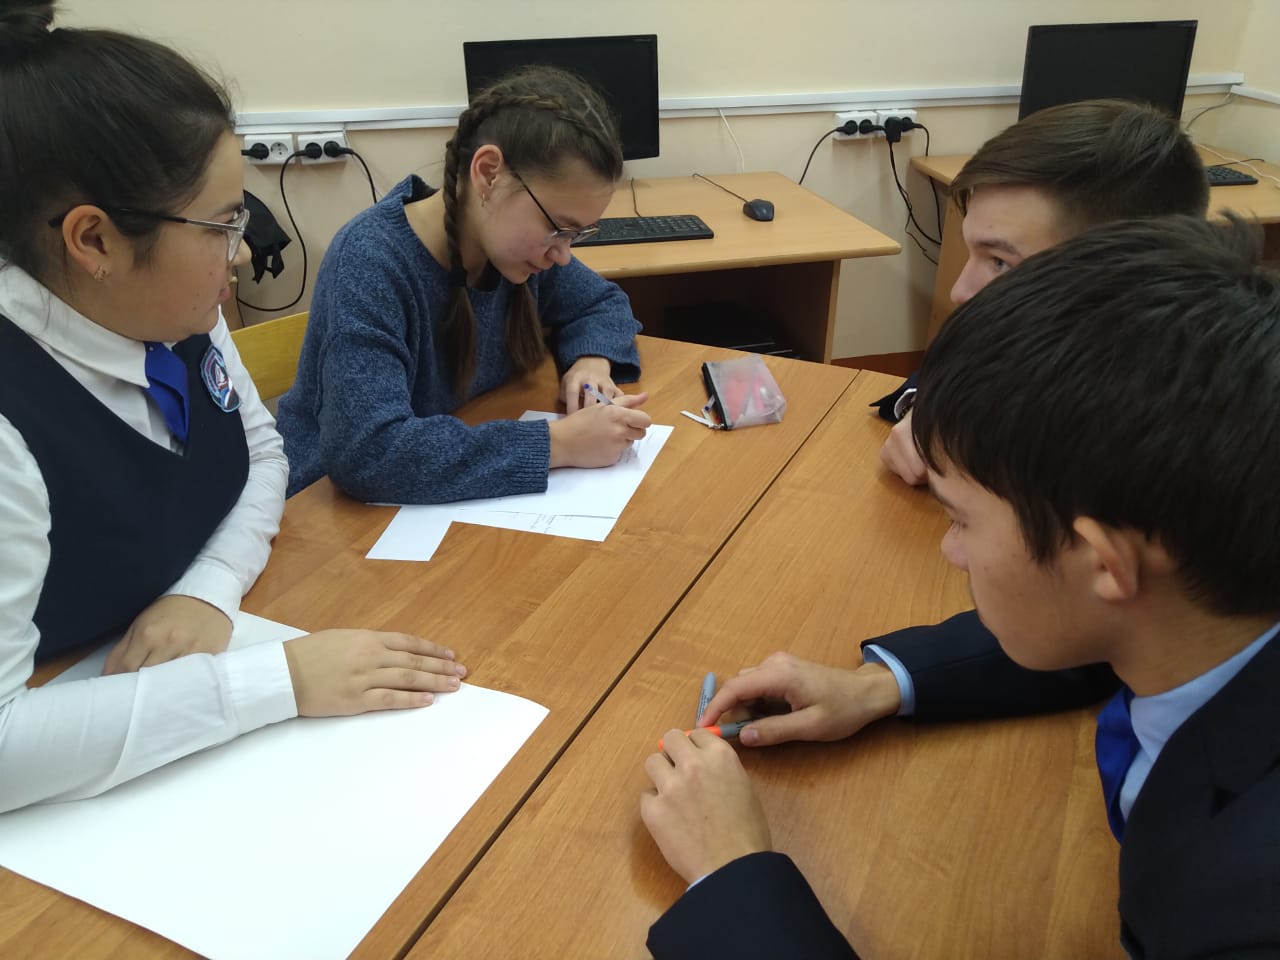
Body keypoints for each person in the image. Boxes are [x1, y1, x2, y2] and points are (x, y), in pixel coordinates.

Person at [642, 215, 1280, 959]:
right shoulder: (1206, 606)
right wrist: (879, 685)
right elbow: (1097, 628)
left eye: (961, 519)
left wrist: (730, 877)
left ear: (1105, 562)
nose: (950, 551)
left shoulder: (1249, 905)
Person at [0, 1, 466, 814]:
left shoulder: (170, 309)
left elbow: (263, 453)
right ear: (95, 240)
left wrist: (210, 586)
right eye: (220, 224)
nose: (243, 252)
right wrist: (278, 681)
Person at [277, 65, 651, 503]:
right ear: (489, 173)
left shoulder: (511, 251)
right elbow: (367, 451)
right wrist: (558, 444)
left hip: (437, 485)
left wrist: (592, 361)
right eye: (558, 227)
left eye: (576, 235)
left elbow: (602, 302)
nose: (563, 255)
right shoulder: (370, 262)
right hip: (328, 512)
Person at [875, 99, 1208, 487]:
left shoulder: (1178, 425)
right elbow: (946, 371)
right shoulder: (1049, 337)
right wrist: (929, 413)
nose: (960, 291)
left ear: (1125, 271)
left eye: (1000, 262)